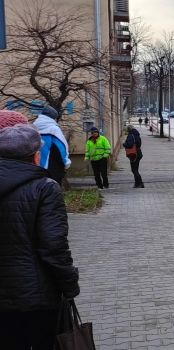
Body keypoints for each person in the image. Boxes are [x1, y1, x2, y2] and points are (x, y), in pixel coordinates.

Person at [0, 124, 80, 350]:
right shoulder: (44, 188)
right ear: (35, 155)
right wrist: (69, 284)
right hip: (36, 295)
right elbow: (53, 245)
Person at [33, 105, 71, 185]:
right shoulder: (53, 129)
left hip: (35, 167)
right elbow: (61, 147)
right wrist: (66, 162)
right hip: (52, 167)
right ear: (53, 117)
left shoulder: (33, 127)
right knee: (52, 191)